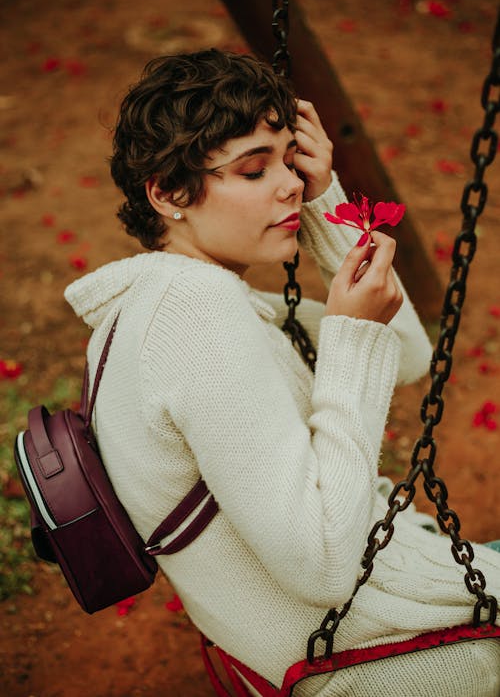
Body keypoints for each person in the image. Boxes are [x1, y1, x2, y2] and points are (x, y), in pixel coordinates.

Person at [65, 49, 499, 696]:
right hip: (374, 660)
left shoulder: (173, 304)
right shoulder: (192, 313)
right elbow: (324, 564)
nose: (288, 182)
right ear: (167, 192)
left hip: (347, 630)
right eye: (252, 169)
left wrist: (327, 200)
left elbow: (407, 356)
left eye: (286, 159)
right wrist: (349, 333)